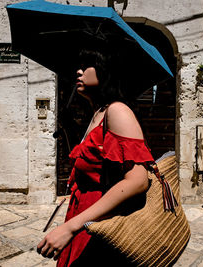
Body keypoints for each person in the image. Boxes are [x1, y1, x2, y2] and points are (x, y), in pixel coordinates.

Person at [37, 49, 155, 266]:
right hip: (85, 215)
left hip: (100, 221)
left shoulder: (118, 111)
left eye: (87, 66)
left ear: (106, 70)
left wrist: (71, 227)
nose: (78, 72)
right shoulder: (99, 112)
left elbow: (138, 180)